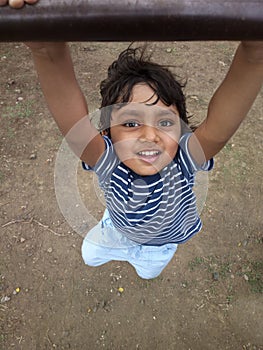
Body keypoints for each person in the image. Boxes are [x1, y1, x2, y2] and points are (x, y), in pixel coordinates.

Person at [5, 0, 263, 279]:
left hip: (160, 244)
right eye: (130, 122)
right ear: (107, 134)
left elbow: (222, 123)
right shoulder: (107, 161)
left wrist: (256, 51)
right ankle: (115, 229)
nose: (150, 136)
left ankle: (141, 255)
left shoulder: (185, 160)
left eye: (165, 122)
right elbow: (72, 117)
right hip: (118, 228)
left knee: (148, 273)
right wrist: (46, 49)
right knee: (89, 256)